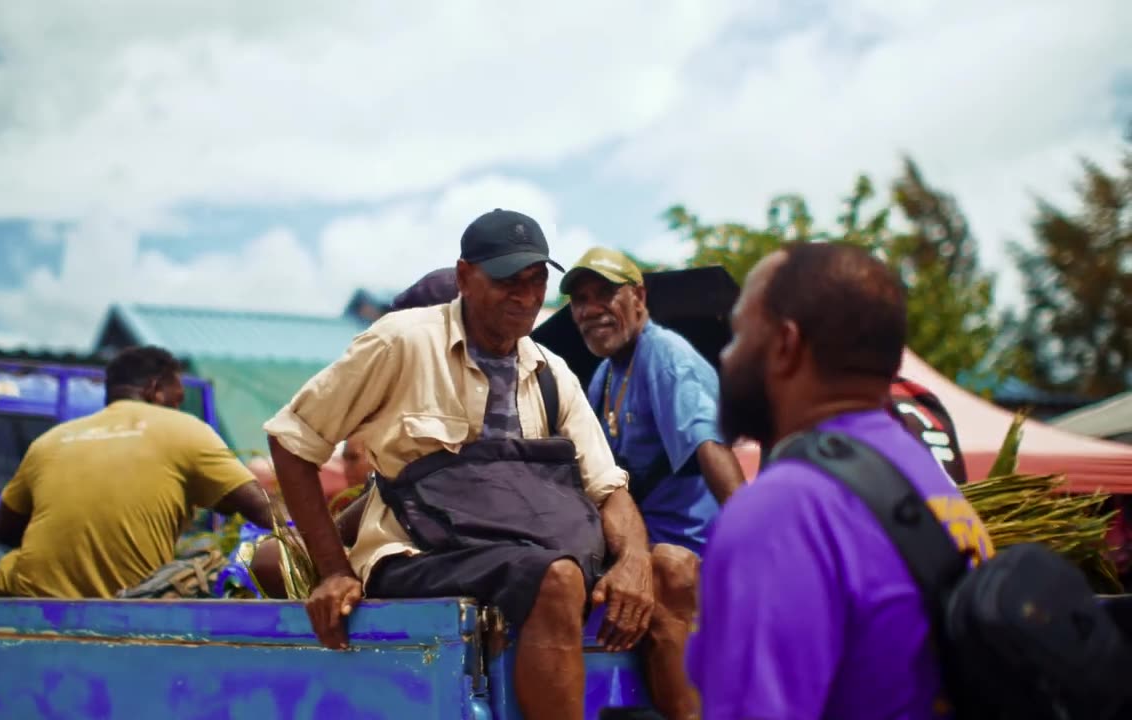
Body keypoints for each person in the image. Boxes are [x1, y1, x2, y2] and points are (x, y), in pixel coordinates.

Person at [266, 209, 654, 720]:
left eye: (536, 281)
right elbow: (293, 441)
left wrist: (635, 561)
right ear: (466, 277)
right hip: (419, 556)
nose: (525, 296)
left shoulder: (550, 371)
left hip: (528, 555)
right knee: (557, 578)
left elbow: (608, 488)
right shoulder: (401, 341)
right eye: (507, 281)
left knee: (676, 568)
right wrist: (333, 570)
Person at [687, 242, 995, 718]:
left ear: (785, 345)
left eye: (737, 334)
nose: (725, 358)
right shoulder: (930, 482)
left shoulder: (781, 512)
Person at [561, 247, 745, 720]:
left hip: (691, 560)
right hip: (638, 552)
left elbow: (710, 446)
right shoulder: (603, 375)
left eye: (605, 293)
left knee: (661, 567)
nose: (590, 309)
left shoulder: (665, 357)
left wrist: (758, 542)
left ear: (639, 296)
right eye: (580, 299)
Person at [0, 345, 280, 598]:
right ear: (155, 390)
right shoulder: (185, 429)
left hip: (34, 595)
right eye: (177, 400)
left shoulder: (50, 440)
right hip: (136, 598)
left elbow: (4, 534)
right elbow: (266, 510)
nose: (178, 409)